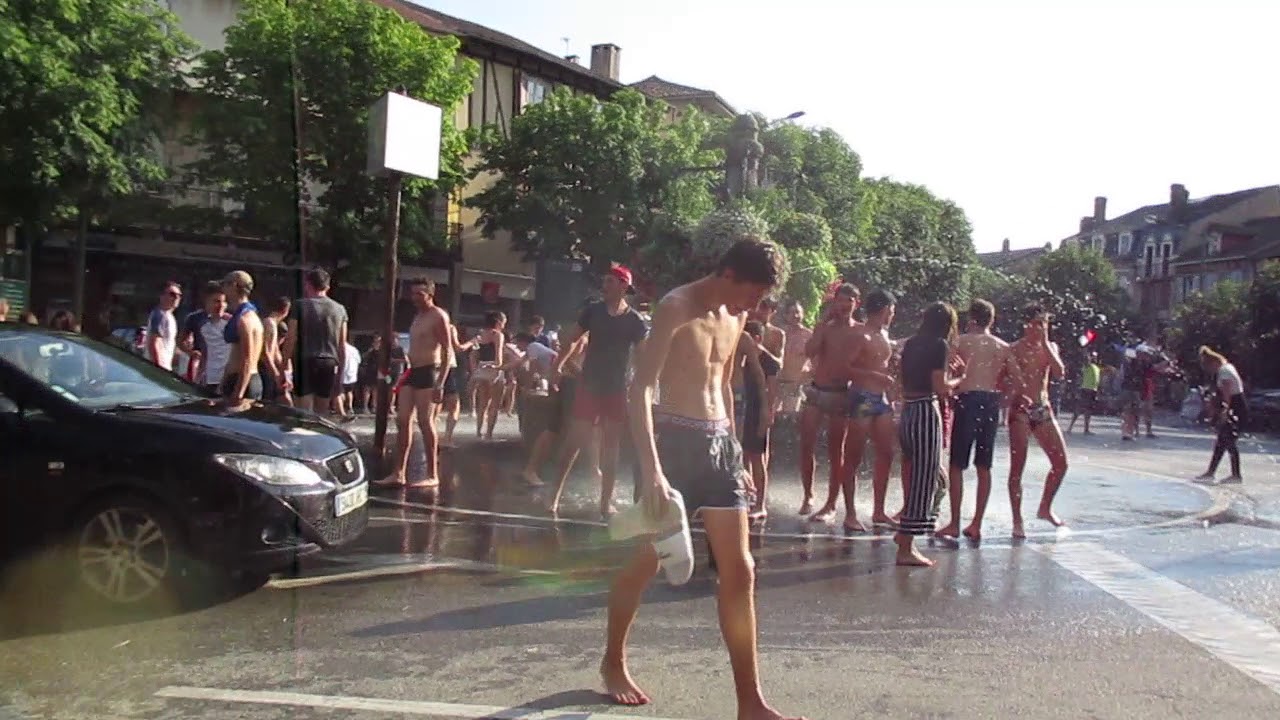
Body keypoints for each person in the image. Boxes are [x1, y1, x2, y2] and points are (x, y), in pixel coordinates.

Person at [601, 239, 802, 720]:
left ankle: (750, 703)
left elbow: (725, 386)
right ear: (728, 273)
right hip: (672, 443)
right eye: (751, 295)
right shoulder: (676, 307)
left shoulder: (737, 317)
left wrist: (735, 450)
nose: (753, 308)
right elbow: (640, 388)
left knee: (741, 570)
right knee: (648, 561)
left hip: (718, 447)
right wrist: (651, 469)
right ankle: (612, 662)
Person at [549, 266, 648, 519]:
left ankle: (605, 502)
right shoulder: (593, 311)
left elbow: (643, 357)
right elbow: (571, 339)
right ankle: (554, 497)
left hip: (616, 388)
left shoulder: (635, 320)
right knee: (574, 442)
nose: (604, 286)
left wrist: (641, 386)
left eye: (610, 281)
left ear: (623, 286)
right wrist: (558, 366)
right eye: (603, 281)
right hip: (590, 385)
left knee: (611, 447)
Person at [938, 299, 1026, 542]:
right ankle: (976, 523)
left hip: (967, 400)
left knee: (957, 465)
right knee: (983, 466)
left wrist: (955, 385)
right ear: (992, 320)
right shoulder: (1002, 346)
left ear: (971, 320)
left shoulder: (961, 341)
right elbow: (1018, 381)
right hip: (990, 402)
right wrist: (1004, 401)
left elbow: (945, 372)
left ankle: (954, 523)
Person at [895, 302, 964, 567]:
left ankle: (908, 532)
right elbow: (940, 386)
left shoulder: (911, 344)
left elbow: (903, 379)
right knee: (925, 481)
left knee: (935, 478)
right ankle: (906, 546)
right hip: (925, 410)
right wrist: (959, 378)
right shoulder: (939, 346)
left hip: (908, 411)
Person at [377, 280, 451, 488]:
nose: (414, 298)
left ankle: (432, 474)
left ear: (430, 294)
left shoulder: (439, 316)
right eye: (413, 293)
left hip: (429, 371)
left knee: (425, 421)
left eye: (419, 294)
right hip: (413, 371)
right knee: (402, 419)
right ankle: (398, 472)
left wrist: (440, 383)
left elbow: (447, 350)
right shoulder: (417, 316)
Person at [1006, 304, 1069, 538]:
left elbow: (1060, 372)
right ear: (1026, 325)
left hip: (1042, 409)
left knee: (1061, 463)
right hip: (1020, 411)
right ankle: (1017, 519)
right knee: (1017, 469)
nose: (1040, 328)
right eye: (1036, 323)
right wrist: (1009, 399)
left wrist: (1045, 343)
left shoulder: (1050, 347)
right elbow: (1003, 383)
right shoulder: (1013, 349)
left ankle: (1045, 507)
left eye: (1044, 324)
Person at [839, 289, 899, 531]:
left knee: (887, 452)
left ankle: (879, 511)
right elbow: (845, 368)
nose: (892, 317)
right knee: (853, 455)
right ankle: (850, 513)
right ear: (884, 310)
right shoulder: (859, 334)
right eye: (891, 312)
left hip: (881, 398)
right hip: (863, 397)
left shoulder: (884, 334)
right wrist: (873, 374)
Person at [801, 284, 862, 522]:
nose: (844, 305)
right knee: (806, 444)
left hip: (841, 394)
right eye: (840, 301)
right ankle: (808, 495)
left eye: (849, 301)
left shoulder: (860, 331)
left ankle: (831, 503)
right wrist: (822, 326)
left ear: (857, 302)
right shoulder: (826, 328)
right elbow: (809, 350)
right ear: (834, 302)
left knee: (837, 451)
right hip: (818, 391)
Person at [283, 268, 348, 414]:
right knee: (321, 412)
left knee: (303, 410)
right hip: (328, 361)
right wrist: (340, 375)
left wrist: (283, 366)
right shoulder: (340, 309)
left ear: (308, 284)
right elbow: (342, 344)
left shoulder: (299, 305)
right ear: (327, 287)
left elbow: (291, 338)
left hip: (305, 360)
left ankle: (302, 433)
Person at [738, 320, 779, 520]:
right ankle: (745, 498)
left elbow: (771, 393)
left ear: (757, 338)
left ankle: (760, 504)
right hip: (743, 409)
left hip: (758, 410)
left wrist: (767, 414)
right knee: (741, 455)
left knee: (757, 457)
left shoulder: (769, 362)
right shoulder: (741, 358)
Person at [1196, 346, 1247, 484]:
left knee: (1228, 441)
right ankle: (1212, 472)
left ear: (1212, 363)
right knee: (1223, 442)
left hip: (1234, 407)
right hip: (1238, 405)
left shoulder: (1223, 372)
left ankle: (1235, 475)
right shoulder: (1228, 367)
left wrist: (1225, 411)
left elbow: (1227, 393)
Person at [220, 271, 269, 402]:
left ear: (234, 286)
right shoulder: (250, 315)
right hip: (244, 379)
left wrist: (238, 393)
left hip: (242, 381)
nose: (223, 289)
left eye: (225, 284)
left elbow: (247, 360)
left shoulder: (245, 319)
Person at [179, 282, 232, 395]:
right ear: (206, 301)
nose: (221, 305)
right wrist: (191, 352)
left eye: (224, 301)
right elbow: (181, 341)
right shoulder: (195, 319)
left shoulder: (230, 321)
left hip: (224, 371)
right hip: (204, 369)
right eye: (216, 301)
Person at [470, 311, 507, 440]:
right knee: (495, 404)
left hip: (481, 368)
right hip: (493, 368)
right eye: (503, 322)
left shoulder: (480, 334)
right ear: (498, 322)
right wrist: (498, 367)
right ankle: (489, 434)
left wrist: (475, 370)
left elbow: (473, 355)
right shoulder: (497, 335)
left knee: (483, 403)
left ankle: (478, 431)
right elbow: (499, 357)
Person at [776, 300, 811, 418]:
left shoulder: (808, 336)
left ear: (803, 314)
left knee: (788, 421)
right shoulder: (779, 333)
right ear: (786, 315)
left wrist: (801, 380)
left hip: (795, 385)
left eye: (798, 312)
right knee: (772, 420)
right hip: (776, 384)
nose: (796, 316)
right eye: (792, 313)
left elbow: (816, 363)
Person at [260, 297, 292, 404]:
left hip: (271, 369)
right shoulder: (270, 323)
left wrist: (284, 370)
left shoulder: (272, 323)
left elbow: (274, 351)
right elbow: (266, 352)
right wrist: (276, 374)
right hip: (266, 369)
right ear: (286, 310)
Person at [146, 281, 183, 371]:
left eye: (179, 295)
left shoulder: (169, 317)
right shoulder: (160, 315)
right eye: (172, 294)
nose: (176, 298)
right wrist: (158, 370)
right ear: (161, 296)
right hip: (157, 370)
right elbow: (154, 343)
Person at [1066, 351, 1101, 435]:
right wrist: (1087, 356)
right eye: (1093, 357)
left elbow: (1097, 380)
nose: (1094, 358)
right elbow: (1085, 361)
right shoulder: (1087, 366)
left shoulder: (1096, 368)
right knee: (1079, 409)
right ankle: (1070, 427)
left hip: (1093, 391)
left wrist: (1098, 391)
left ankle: (1086, 429)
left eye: (1095, 357)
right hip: (1086, 390)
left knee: (1088, 411)